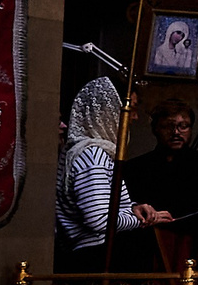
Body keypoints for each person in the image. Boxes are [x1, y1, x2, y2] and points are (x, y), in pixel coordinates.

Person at [55, 79, 147, 270]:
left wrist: (134, 209)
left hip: (96, 252)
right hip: (94, 256)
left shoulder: (91, 151)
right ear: (110, 111)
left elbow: (105, 204)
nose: (135, 117)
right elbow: (99, 220)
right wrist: (139, 220)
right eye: (132, 108)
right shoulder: (92, 154)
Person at [122, 98, 198, 226]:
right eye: (167, 126)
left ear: (190, 129)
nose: (176, 132)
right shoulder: (134, 169)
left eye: (183, 126)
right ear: (155, 129)